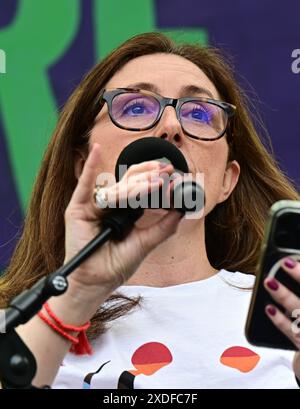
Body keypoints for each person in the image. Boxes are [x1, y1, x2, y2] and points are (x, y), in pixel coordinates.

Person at [0, 32, 300, 389]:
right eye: (136, 107)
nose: (171, 127)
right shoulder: (17, 321)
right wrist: (76, 294)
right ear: (83, 167)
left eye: (199, 113)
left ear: (227, 181)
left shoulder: (285, 311)